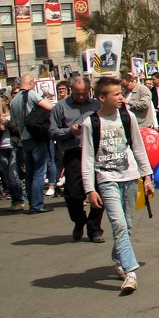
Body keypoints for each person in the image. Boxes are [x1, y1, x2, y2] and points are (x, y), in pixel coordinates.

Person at [80, 76, 154, 295]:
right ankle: (131, 272)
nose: (122, 98)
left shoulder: (127, 117)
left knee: (128, 225)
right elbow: (87, 158)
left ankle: (119, 257)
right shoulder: (90, 123)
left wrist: (147, 177)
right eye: (117, 94)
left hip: (130, 177)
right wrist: (89, 189)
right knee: (118, 224)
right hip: (107, 179)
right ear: (102, 97)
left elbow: (139, 148)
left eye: (122, 93)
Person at [49, 77, 103, 241]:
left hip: (96, 152)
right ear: (71, 90)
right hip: (74, 153)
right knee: (73, 194)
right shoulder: (61, 107)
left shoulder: (96, 105)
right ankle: (79, 221)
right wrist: (68, 132)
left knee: (100, 190)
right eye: (77, 94)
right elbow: (52, 131)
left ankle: (94, 229)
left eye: (84, 94)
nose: (81, 97)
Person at [9, 73, 55, 214]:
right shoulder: (32, 94)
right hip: (36, 137)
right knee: (39, 172)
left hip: (24, 139)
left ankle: (31, 203)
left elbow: (13, 122)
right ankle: (37, 205)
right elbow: (49, 107)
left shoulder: (13, 101)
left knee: (29, 172)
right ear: (30, 83)